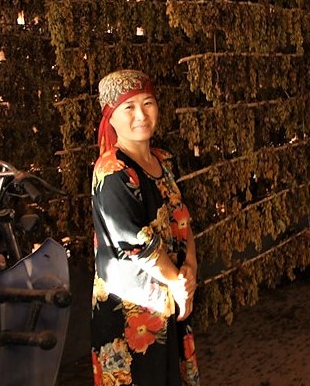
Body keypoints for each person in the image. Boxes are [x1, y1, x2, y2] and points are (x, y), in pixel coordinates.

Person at [91, 69, 200, 386]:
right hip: (132, 308)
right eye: (129, 107)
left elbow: (183, 219)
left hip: (172, 297)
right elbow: (135, 243)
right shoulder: (112, 170)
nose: (141, 114)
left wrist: (190, 268)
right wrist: (178, 283)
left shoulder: (164, 160)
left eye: (148, 103)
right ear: (110, 117)